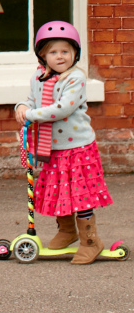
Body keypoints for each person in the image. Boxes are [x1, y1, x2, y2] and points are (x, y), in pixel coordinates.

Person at [15, 21, 113, 265]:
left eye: (65, 51)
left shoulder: (76, 78)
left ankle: (91, 241)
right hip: (54, 148)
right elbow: (32, 100)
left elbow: (61, 109)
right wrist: (22, 107)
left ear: (75, 54)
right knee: (60, 191)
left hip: (78, 148)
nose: (60, 56)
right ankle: (68, 231)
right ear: (42, 55)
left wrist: (31, 115)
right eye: (53, 51)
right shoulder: (38, 77)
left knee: (80, 194)